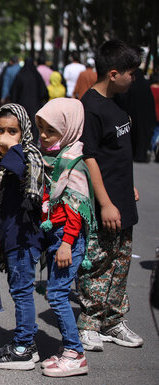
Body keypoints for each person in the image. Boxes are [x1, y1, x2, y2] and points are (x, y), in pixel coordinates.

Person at [77, 40, 143, 351]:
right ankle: (90, 322)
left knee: (121, 261)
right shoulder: (90, 106)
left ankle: (113, 320)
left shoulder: (120, 101)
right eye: (133, 73)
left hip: (122, 198)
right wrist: (105, 202)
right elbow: (90, 156)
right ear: (114, 74)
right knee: (99, 262)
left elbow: (117, 154)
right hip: (104, 203)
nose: (136, 78)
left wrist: (127, 187)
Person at [35, 98, 97, 377]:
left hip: (67, 239)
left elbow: (75, 211)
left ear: (69, 129)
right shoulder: (53, 157)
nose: (44, 135)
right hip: (56, 235)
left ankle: (75, 353)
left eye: (51, 131)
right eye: (41, 129)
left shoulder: (74, 163)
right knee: (56, 293)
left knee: (58, 294)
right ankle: (68, 350)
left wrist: (67, 244)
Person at [0, 104, 44, 370]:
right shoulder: (6, 160)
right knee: (18, 290)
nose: (5, 136)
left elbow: (26, 177)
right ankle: (25, 338)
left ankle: (24, 348)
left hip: (23, 240)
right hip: (11, 238)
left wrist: (10, 147)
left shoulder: (27, 156)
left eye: (12, 131)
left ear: (24, 132)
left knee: (21, 292)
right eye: (0, 130)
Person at [115, 65, 156, 162]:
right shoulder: (146, 86)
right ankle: (142, 155)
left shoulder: (131, 86)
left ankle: (134, 154)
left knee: (133, 135)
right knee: (143, 136)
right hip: (145, 117)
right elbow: (150, 103)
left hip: (133, 115)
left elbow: (126, 102)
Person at [10, 57, 49, 139]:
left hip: (22, 107)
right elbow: (44, 92)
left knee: (22, 127)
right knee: (34, 129)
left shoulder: (20, 75)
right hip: (35, 106)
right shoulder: (36, 76)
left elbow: (14, 92)